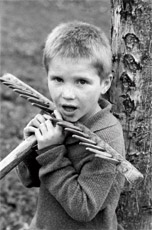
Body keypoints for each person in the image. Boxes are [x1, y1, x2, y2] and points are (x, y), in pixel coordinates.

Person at [17, 21, 125, 230]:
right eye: (58, 79)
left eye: (81, 82)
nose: (67, 95)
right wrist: (32, 147)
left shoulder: (107, 137)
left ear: (105, 83)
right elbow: (30, 180)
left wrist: (51, 152)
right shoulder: (54, 115)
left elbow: (83, 209)